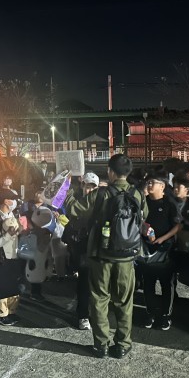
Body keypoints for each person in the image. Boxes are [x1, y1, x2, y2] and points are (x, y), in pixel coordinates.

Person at [65, 154, 148, 359]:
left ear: (110, 172)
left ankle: (101, 345)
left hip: (101, 256)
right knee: (124, 302)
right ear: (128, 172)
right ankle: (122, 345)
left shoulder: (101, 194)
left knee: (99, 299)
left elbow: (73, 209)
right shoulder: (137, 194)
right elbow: (143, 215)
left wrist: (68, 189)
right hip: (126, 257)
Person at [140, 172, 181, 330]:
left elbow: (177, 225)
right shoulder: (143, 202)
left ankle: (165, 315)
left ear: (162, 186)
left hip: (165, 249)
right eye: (148, 182)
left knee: (166, 283)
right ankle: (150, 313)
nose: (149, 185)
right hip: (146, 248)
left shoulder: (169, 203)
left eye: (153, 182)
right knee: (148, 283)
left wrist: (163, 238)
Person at [62, 171, 100, 330]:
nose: (89, 190)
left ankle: (95, 314)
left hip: (98, 249)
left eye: (93, 187)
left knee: (98, 285)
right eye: (87, 186)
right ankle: (83, 315)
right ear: (82, 186)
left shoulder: (102, 202)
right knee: (84, 283)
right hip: (83, 250)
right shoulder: (78, 203)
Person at [0, 188, 23, 326]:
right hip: (0, 258)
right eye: (12, 199)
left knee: (13, 285)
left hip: (13, 255)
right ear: (6, 201)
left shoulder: (12, 215)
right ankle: (2, 314)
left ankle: (11, 311)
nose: (14, 201)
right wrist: (9, 235)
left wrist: (20, 231)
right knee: (2, 287)